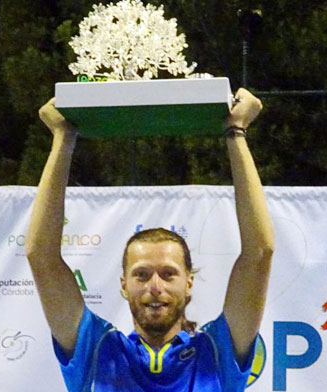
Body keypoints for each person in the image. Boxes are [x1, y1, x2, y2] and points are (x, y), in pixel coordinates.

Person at [25, 88, 274, 392]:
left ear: (189, 283)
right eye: (141, 274)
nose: (155, 286)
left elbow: (260, 253)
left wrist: (236, 133)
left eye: (168, 274)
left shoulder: (219, 352)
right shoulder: (95, 349)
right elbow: (41, 256)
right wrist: (62, 139)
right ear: (123, 284)